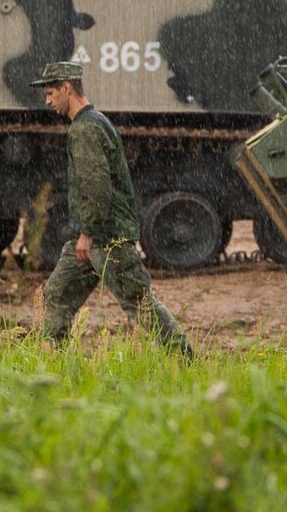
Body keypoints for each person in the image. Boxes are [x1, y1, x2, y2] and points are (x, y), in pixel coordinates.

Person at [32, 61, 195, 358]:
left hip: (106, 239)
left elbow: (96, 186)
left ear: (67, 88)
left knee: (140, 302)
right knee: (56, 294)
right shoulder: (93, 123)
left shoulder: (85, 129)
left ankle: (185, 360)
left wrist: (88, 233)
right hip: (91, 239)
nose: (47, 100)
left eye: (51, 92)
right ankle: (55, 363)